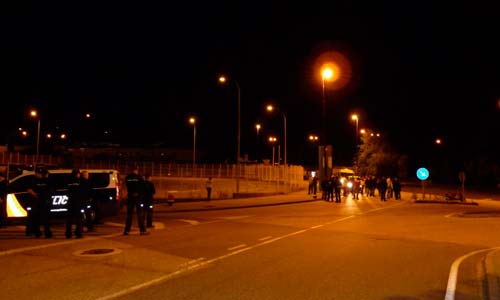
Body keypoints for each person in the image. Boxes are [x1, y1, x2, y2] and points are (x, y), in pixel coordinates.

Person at [27, 168, 53, 238]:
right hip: (37, 202)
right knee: (37, 218)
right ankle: (38, 233)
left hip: (45, 202)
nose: (39, 174)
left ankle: (46, 233)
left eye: (40, 173)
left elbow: (50, 190)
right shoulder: (34, 180)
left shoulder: (46, 180)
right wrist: (35, 194)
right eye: (38, 173)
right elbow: (29, 189)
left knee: (45, 219)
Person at [123, 166, 148, 235]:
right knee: (140, 214)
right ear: (136, 170)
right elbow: (143, 188)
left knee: (129, 215)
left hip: (130, 197)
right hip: (138, 198)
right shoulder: (139, 178)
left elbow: (127, 186)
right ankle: (142, 230)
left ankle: (126, 231)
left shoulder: (127, 178)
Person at [65, 169, 83, 238]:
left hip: (70, 202)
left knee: (69, 219)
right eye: (78, 174)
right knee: (78, 219)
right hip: (77, 202)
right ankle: (78, 233)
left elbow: (67, 191)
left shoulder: (68, 181)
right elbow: (81, 192)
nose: (79, 175)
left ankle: (68, 234)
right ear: (77, 174)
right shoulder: (79, 181)